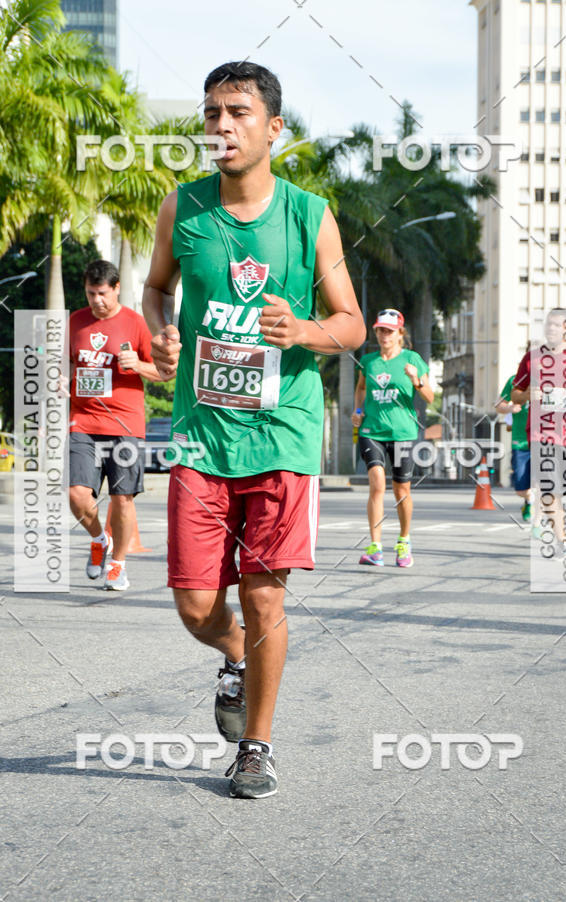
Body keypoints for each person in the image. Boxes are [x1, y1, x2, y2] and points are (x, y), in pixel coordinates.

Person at [142, 61, 365, 799]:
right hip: (203, 436)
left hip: (282, 431)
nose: (221, 126)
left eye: (238, 112)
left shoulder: (309, 215)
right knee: (197, 605)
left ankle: (256, 748)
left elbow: (352, 325)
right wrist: (162, 334)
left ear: (274, 129)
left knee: (265, 594)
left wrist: (303, 329)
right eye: (211, 113)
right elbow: (154, 289)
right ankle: (234, 653)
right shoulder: (185, 209)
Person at [68, 260, 161, 591]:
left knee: (123, 498)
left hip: (124, 423)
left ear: (117, 288)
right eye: (91, 293)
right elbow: (64, 366)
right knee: (77, 495)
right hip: (83, 421)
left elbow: (166, 371)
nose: (96, 301)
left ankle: (118, 565)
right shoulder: (75, 322)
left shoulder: (136, 324)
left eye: (102, 293)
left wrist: (138, 365)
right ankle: (98, 540)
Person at [512, 308, 566, 549]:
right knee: (548, 488)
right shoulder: (532, 358)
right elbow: (515, 395)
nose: (550, 328)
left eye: (556, 324)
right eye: (547, 324)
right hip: (542, 434)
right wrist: (528, 393)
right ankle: (563, 542)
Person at [351, 309, 433, 568]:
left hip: (403, 433)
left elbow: (429, 396)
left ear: (400, 333)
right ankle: (375, 547)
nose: (383, 335)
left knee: (401, 490)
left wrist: (415, 380)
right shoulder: (369, 361)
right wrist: (358, 410)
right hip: (371, 431)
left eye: (389, 330)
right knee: (377, 483)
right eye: (379, 330)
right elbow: (361, 388)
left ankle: (404, 540)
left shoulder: (412, 359)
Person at [495, 372, 532, 521]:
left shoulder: (551, 377)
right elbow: (499, 404)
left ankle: (538, 515)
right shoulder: (515, 380)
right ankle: (529, 500)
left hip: (544, 440)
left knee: (543, 483)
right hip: (520, 440)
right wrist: (510, 409)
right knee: (521, 489)